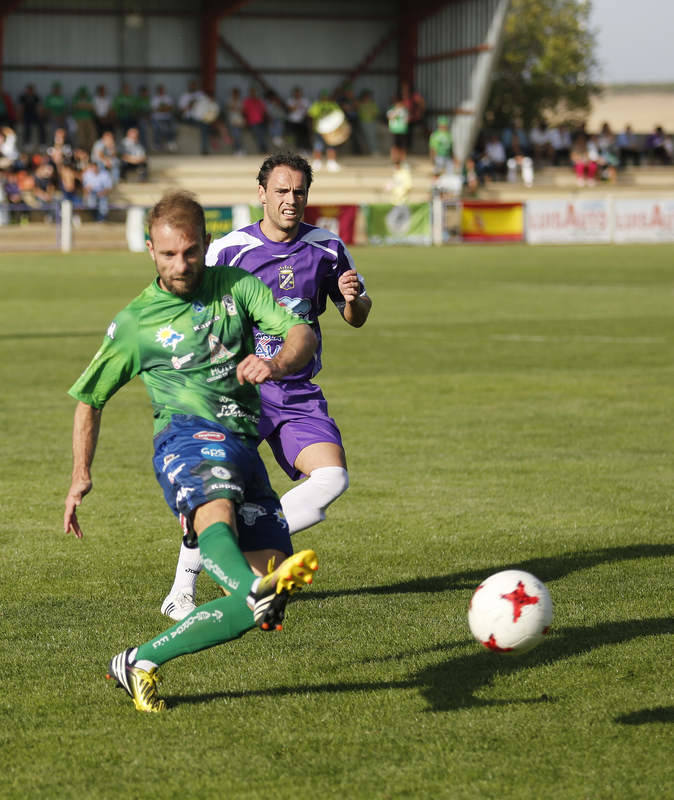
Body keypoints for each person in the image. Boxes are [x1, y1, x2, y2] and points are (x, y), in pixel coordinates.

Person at [64, 190, 320, 713]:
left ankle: (139, 661)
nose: (179, 265)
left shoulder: (237, 285)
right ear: (151, 252)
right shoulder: (136, 322)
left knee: (266, 605)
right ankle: (248, 582)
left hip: (244, 443)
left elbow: (300, 333)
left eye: (189, 252)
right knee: (232, 539)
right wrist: (79, 475)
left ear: (206, 243)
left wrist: (276, 364)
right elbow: (89, 399)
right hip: (186, 437)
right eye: (166, 254)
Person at [161, 153, 372, 620]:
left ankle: (239, 533)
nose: (290, 200)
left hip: (296, 391)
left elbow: (353, 316)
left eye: (298, 191)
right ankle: (182, 590)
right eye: (281, 191)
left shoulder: (329, 248)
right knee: (214, 487)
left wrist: (356, 300)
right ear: (262, 194)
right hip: (238, 390)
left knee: (332, 477)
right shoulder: (230, 251)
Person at [150, 84, 178, 152]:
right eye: (160, 90)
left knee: (173, 126)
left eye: (162, 90)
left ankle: (171, 143)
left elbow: (171, 108)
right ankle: (157, 144)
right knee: (157, 128)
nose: (161, 91)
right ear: (157, 91)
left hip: (168, 117)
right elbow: (154, 109)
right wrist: (164, 108)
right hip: (157, 118)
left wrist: (162, 108)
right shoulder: (154, 98)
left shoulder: (168, 98)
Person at [386, 95, 409, 167]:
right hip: (394, 130)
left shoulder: (404, 110)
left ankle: (402, 160)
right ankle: (394, 160)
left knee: (402, 146)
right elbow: (390, 117)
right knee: (394, 146)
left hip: (402, 130)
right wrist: (396, 112)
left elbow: (407, 119)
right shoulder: (391, 110)